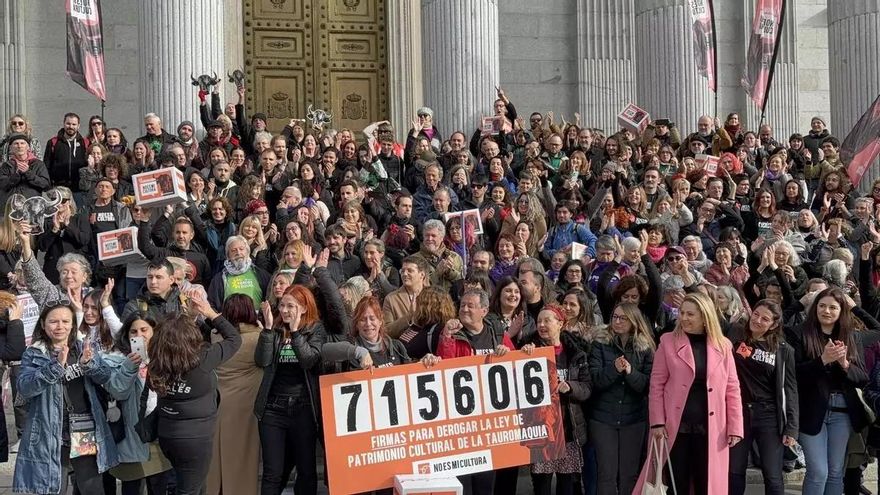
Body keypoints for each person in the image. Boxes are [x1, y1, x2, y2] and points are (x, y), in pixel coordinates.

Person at [634, 292, 744, 495]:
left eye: (690, 314)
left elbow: (732, 388)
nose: (683, 318)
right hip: (675, 427)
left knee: (707, 484)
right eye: (682, 313)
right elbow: (656, 384)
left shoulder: (724, 345)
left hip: (712, 428)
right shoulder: (667, 342)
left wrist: (735, 427)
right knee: (678, 484)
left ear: (705, 316)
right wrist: (657, 422)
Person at [13, 303, 119, 495]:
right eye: (53, 321)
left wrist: (89, 364)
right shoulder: (34, 353)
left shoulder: (82, 347)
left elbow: (105, 376)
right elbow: (25, 387)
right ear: (43, 325)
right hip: (50, 429)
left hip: (84, 427)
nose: (59, 326)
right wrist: (56, 367)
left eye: (65, 321)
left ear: (72, 325)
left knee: (91, 487)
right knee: (54, 487)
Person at [149, 294, 241, 495]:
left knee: (195, 486)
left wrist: (188, 318)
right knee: (189, 490)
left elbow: (174, 339)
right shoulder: (202, 359)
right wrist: (209, 313)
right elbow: (234, 339)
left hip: (168, 433)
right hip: (195, 439)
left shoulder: (157, 361)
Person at [788, 287, 872, 495]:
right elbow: (793, 375)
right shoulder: (798, 333)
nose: (826, 311)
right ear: (814, 307)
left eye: (833, 307)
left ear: (841, 310)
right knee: (818, 472)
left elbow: (862, 377)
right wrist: (823, 360)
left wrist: (844, 364)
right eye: (822, 305)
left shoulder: (852, 337)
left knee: (835, 472)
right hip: (811, 410)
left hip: (842, 411)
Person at [254, 284, 327, 495]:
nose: (284, 310)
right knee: (272, 472)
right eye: (282, 305)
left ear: (304, 308)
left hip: (303, 409)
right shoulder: (275, 329)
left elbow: (308, 361)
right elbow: (262, 360)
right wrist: (267, 330)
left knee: (306, 470)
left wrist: (295, 333)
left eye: (291, 306)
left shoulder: (315, 329)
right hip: (273, 409)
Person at [727, 299, 798, 495]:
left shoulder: (783, 350)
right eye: (756, 314)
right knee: (734, 470)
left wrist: (792, 427)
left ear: (774, 324)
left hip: (768, 415)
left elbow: (790, 389)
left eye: (765, 319)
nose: (757, 320)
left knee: (772, 473)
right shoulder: (735, 334)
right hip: (738, 412)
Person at [521, 304, 591, 495]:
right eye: (539, 321)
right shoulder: (529, 350)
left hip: (568, 432)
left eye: (547, 320)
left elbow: (586, 389)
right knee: (542, 486)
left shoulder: (576, 353)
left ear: (560, 323)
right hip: (542, 432)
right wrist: (523, 356)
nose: (541, 325)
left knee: (567, 487)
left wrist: (570, 387)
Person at [100, 312, 172, 495]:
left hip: (159, 435)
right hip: (133, 437)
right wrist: (129, 367)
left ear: (155, 331)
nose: (139, 335)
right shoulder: (116, 359)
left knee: (159, 487)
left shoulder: (165, 358)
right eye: (133, 331)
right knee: (132, 488)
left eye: (144, 330)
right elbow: (118, 391)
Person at [588, 303, 654, 495]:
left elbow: (647, 386)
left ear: (634, 321)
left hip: (634, 419)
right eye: (614, 317)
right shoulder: (600, 343)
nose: (616, 321)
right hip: (603, 419)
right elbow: (595, 380)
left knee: (629, 474)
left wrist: (631, 372)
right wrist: (613, 369)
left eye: (622, 318)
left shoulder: (645, 348)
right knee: (606, 474)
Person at [206, 295, 264, 495]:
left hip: (217, 403)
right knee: (243, 458)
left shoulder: (216, 337)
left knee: (215, 457)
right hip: (246, 407)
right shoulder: (258, 338)